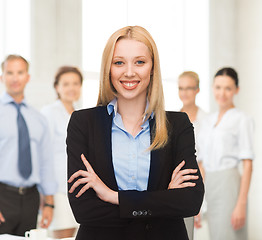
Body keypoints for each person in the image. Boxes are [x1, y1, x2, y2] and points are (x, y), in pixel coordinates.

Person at [67, 26, 204, 240]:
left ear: (152, 68)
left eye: (139, 62)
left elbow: (190, 201)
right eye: (119, 62)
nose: (129, 72)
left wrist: (114, 197)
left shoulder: (177, 124)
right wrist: (164, 200)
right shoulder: (83, 123)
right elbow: (83, 209)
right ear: (108, 69)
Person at [0, 55, 57, 236]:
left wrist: (49, 203)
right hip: (3, 196)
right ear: (2, 77)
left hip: (31, 198)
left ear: (27, 77)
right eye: (10, 73)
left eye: (20, 72)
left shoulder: (38, 118)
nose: (15, 78)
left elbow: (46, 162)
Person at [197, 67, 254, 240]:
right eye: (218, 87)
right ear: (213, 88)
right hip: (209, 185)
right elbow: (201, 163)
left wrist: (241, 204)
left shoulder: (242, 119)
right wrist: (197, 202)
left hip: (229, 186)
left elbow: (248, 164)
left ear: (236, 90)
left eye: (228, 88)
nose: (222, 93)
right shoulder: (207, 122)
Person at [41, 66, 83, 238]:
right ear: (57, 87)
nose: (71, 88)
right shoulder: (48, 113)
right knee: (62, 235)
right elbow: (44, 155)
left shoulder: (81, 114)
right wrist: (47, 197)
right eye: (66, 84)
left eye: (75, 83)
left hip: (79, 188)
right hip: (58, 189)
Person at [178, 71, 207, 239]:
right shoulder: (172, 118)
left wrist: (199, 202)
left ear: (197, 90)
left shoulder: (206, 121)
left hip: (194, 184)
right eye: (181, 88)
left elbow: (202, 163)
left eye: (189, 88)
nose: (184, 93)